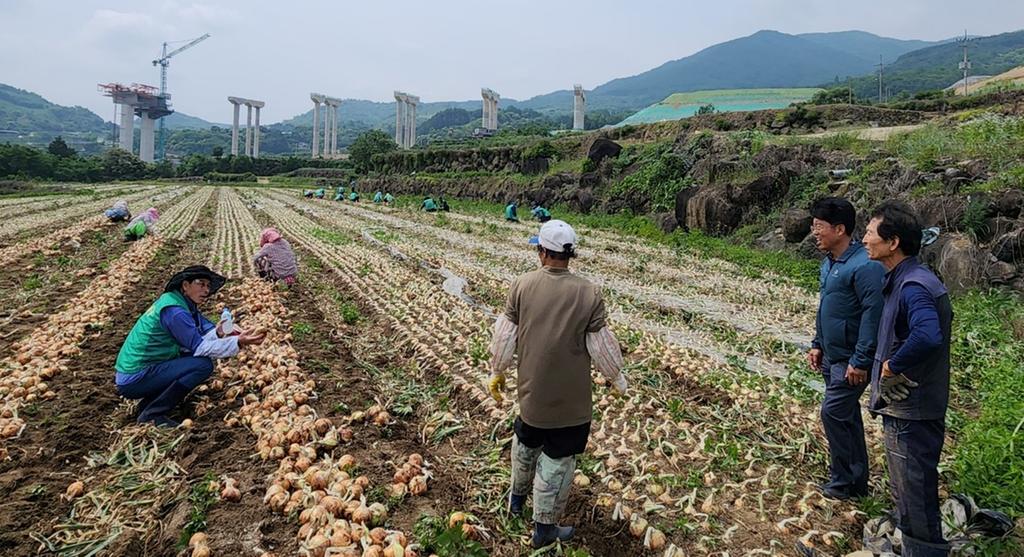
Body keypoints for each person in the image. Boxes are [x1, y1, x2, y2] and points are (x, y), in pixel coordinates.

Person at [488, 219, 627, 549]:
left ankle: (516, 501)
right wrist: (617, 377)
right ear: (570, 254)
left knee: (525, 445)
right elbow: (602, 346)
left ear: (541, 251)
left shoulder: (521, 285)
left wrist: (498, 371)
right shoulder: (589, 293)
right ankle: (544, 530)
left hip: (531, 396)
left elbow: (504, 337)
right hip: (570, 405)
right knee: (558, 462)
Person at [863, 201, 953, 557]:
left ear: (893, 241)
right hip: (908, 410)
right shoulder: (907, 279)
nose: (865, 239)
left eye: (870, 232)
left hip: (911, 412)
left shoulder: (914, 285)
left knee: (914, 493)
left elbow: (927, 335)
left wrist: (891, 367)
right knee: (909, 489)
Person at [114, 266, 266, 427]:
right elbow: (199, 347)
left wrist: (220, 332)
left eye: (208, 286)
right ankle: (153, 414)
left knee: (190, 360)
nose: (206, 290)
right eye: (201, 284)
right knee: (201, 365)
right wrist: (238, 342)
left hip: (144, 369)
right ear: (185, 285)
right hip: (135, 377)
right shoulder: (175, 312)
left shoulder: (179, 303)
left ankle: (148, 406)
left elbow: (196, 338)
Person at [807, 198, 884, 501]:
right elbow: (826, 308)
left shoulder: (864, 267)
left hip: (851, 361)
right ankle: (856, 483)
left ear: (840, 229)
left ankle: (841, 482)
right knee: (847, 417)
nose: (815, 232)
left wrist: (861, 360)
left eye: (819, 227)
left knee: (833, 413)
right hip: (832, 355)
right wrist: (817, 343)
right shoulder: (830, 263)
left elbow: (872, 315)